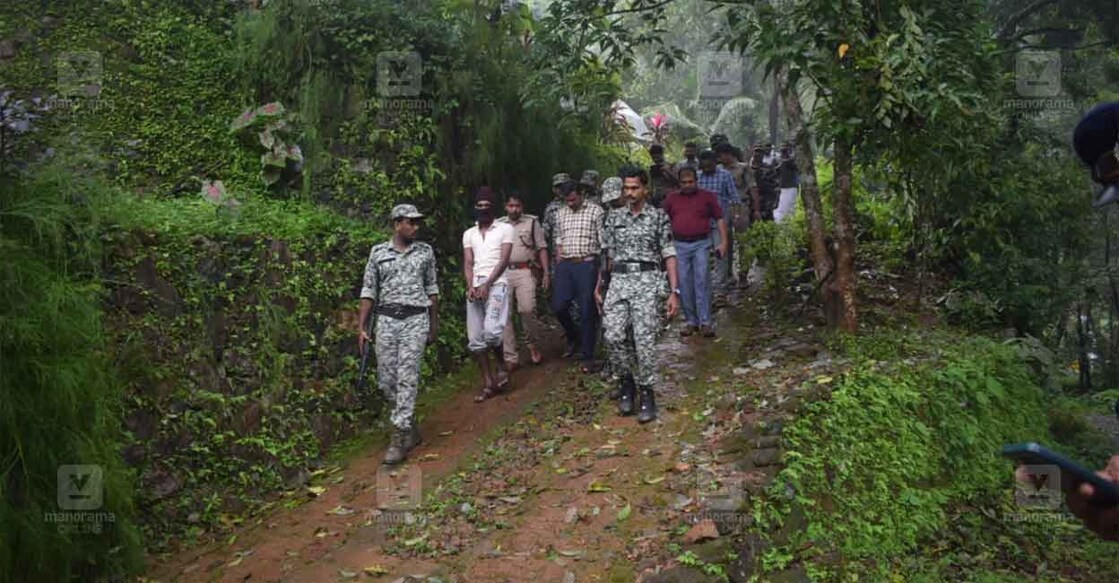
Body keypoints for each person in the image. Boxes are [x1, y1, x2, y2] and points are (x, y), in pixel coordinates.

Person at [597, 166, 680, 423]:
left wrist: (673, 292)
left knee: (643, 340)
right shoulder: (613, 218)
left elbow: (668, 253)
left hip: (648, 281)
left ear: (645, 189)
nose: (630, 193)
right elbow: (608, 256)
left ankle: (647, 394)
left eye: (634, 188)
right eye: (626, 188)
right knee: (613, 335)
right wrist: (599, 285)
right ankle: (626, 384)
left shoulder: (657, 217)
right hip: (619, 281)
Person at [359, 204, 440, 465]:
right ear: (397, 224)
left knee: (407, 376)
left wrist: (433, 323)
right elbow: (369, 290)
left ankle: (399, 436)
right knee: (387, 380)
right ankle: (410, 425)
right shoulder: (378, 253)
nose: (415, 227)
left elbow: (432, 289)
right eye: (410, 222)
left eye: (417, 222)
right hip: (386, 320)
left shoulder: (425, 252)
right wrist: (362, 326)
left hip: (415, 318)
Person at [462, 188, 515, 403]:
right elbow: (468, 262)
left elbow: (504, 260)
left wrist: (488, 283)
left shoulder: (505, 229)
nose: (483, 209)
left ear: (493, 207)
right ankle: (488, 382)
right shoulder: (469, 234)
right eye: (479, 206)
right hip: (476, 287)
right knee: (475, 339)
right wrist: (470, 285)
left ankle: (501, 365)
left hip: (497, 284)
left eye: (487, 205)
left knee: (492, 332)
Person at [663, 167, 727, 338]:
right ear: (679, 183)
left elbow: (719, 218)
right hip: (679, 244)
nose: (688, 185)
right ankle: (691, 320)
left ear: (696, 181)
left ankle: (705, 321)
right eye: (684, 182)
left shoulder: (707, 196)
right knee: (683, 283)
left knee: (702, 280)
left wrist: (723, 242)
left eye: (691, 182)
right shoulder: (672, 198)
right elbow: (662, 220)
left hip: (701, 243)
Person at [553, 179, 605, 372]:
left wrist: (600, 270)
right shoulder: (561, 213)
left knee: (587, 310)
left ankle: (588, 354)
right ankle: (574, 337)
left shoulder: (595, 211)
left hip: (587, 263)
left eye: (573, 199)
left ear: (581, 194)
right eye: (567, 200)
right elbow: (559, 239)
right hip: (566, 264)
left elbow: (603, 241)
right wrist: (559, 263)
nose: (570, 203)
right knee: (559, 306)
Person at [497, 192, 550, 370]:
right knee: (505, 314)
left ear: (522, 207)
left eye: (517, 206)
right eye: (511, 206)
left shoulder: (531, 222)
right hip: (503, 273)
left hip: (525, 270)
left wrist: (546, 272)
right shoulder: (498, 225)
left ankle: (532, 345)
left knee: (527, 309)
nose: (514, 209)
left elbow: (541, 247)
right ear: (505, 207)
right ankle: (510, 356)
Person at [696, 149, 739, 306]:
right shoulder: (697, 177)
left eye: (709, 166)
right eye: (703, 167)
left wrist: (734, 218)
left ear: (715, 163)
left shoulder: (724, 175)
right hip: (701, 224)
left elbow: (734, 198)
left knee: (721, 255)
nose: (706, 169)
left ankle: (721, 291)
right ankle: (705, 291)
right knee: (703, 258)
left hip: (720, 222)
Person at [543, 173, 570, 257]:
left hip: (577, 252)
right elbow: (545, 231)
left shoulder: (578, 204)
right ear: (554, 189)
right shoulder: (551, 208)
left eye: (564, 186)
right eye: (558, 187)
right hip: (557, 254)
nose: (561, 189)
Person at [774, 143, 799, 223]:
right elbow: (775, 172)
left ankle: (790, 223)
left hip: (791, 187)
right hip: (783, 188)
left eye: (785, 151)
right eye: (783, 151)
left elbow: (794, 166)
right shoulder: (780, 162)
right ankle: (783, 223)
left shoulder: (791, 162)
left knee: (790, 207)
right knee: (782, 207)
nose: (784, 153)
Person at [648, 144, 676, 208]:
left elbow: (678, 182)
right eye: (653, 158)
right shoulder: (652, 169)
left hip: (669, 198)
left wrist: (668, 172)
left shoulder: (671, 166)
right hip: (656, 199)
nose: (655, 160)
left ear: (662, 155)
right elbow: (651, 184)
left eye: (657, 157)